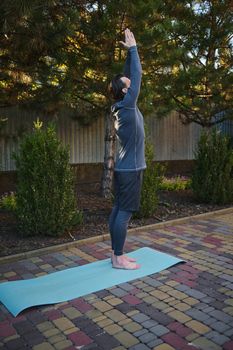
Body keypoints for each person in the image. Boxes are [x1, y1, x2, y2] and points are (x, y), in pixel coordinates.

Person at [108, 28, 146, 270]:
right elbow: (138, 74)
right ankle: (119, 257)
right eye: (127, 84)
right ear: (124, 91)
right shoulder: (128, 106)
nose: (130, 81)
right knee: (125, 212)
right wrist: (133, 49)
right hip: (131, 169)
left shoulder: (120, 106)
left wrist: (128, 54)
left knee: (118, 209)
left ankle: (115, 255)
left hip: (124, 168)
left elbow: (129, 74)